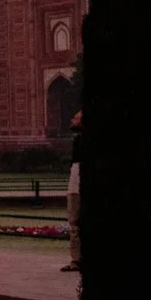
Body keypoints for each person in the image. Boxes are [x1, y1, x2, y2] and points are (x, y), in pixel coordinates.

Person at [63, 114, 81, 273]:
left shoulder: (81, 141)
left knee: (75, 222)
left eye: (75, 118)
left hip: (76, 188)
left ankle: (77, 260)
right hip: (75, 184)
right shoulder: (78, 140)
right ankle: (77, 259)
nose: (72, 120)